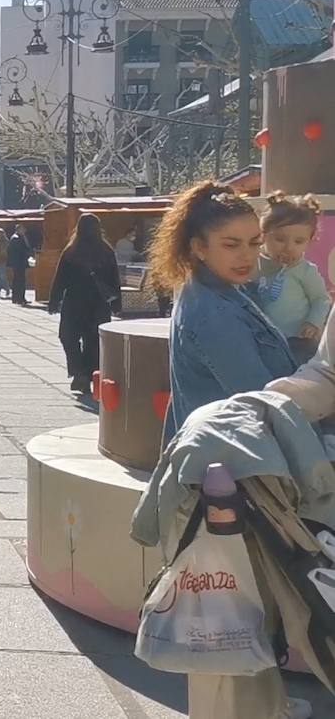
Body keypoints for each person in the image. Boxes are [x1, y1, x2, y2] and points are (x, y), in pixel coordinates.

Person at [143, 181, 305, 719]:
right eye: (231, 244)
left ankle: (266, 706)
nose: (248, 255)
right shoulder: (212, 309)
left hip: (229, 470)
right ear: (197, 247)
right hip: (230, 478)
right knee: (235, 606)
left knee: (244, 605)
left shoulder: (222, 293)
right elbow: (258, 395)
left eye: (253, 242)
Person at [48, 213, 122, 394]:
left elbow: (60, 278)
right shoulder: (106, 251)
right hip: (98, 304)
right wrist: (117, 302)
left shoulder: (71, 251)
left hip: (75, 302)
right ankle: (87, 374)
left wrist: (54, 300)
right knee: (93, 341)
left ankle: (79, 370)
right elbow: (114, 279)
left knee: (67, 337)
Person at [255, 193, 329, 364]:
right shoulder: (253, 266)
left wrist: (313, 322)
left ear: (309, 241)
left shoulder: (305, 271)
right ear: (263, 235)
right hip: (265, 340)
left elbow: (321, 299)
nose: (289, 247)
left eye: (299, 241)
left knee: (298, 376)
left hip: (299, 339)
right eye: (280, 239)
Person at [8, 224, 32, 305]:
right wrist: (27, 253)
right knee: (20, 281)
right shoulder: (17, 238)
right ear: (18, 230)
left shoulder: (16, 237)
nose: (24, 231)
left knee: (17, 280)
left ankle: (16, 297)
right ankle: (20, 298)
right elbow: (22, 250)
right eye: (23, 229)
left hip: (18, 263)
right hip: (19, 263)